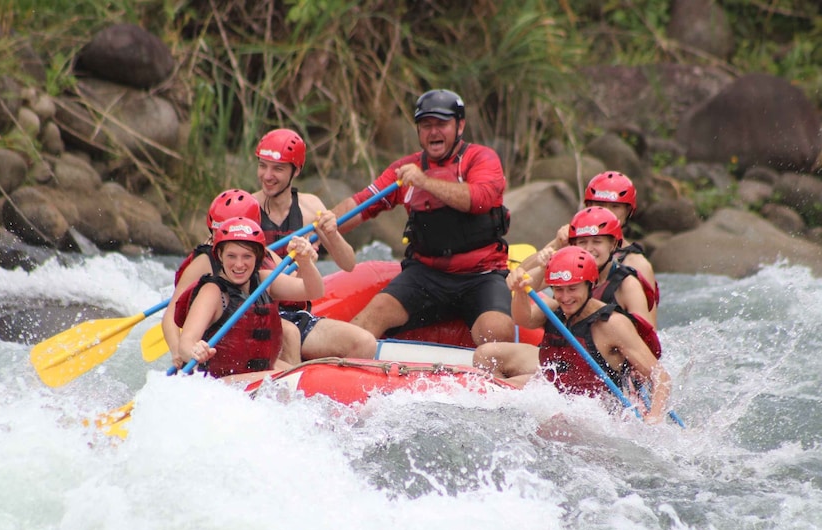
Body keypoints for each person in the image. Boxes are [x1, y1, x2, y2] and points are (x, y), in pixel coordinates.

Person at [331, 89, 514, 345]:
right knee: (373, 315)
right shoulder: (403, 170)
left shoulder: (481, 158)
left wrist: (425, 182)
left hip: (482, 274)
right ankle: (337, 368)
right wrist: (328, 223)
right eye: (426, 125)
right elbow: (362, 204)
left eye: (442, 124)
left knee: (496, 331)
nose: (433, 132)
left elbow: (479, 199)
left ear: (460, 126)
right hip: (426, 275)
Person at [476, 246, 671, 424]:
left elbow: (660, 376)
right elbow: (523, 320)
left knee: (552, 424)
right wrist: (520, 292)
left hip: (596, 411)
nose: (565, 298)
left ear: (590, 284)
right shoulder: (555, 308)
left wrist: (655, 415)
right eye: (558, 290)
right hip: (556, 390)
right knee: (491, 388)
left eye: (572, 288)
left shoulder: (613, 324)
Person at [253, 128, 378, 359]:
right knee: (287, 338)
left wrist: (333, 234)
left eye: (278, 168)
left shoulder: (311, 209)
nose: (267, 175)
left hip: (297, 315)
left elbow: (348, 264)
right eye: (263, 165)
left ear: (296, 170)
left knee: (364, 343)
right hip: (255, 315)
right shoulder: (247, 209)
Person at [161, 189, 302, 369]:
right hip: (222, 336)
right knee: (289, 331)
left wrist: (306, 261)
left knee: (290, 332)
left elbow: (302, 288)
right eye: (218, 232)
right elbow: (171, 315)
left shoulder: (266, 255)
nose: (222, 238)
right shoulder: (205, 262)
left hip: (256, 327)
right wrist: (178, 350)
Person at [176, 217, 323, 386]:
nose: (239, 265)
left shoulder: (265, 281)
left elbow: (314, 291)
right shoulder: (212, 292)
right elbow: (186, 341)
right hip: (217, 386)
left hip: (255, 377)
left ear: (258, 257)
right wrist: (194, 351)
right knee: (294, 382)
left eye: (247, 256)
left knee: (307, 377)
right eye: (231, 256)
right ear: (220, 256)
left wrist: (305, 263)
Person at [529, 171, 659, 322]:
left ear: (628, 211)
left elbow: (649, 330)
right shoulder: (572, 250)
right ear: (588, 207)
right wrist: (557, 244)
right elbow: (518, 279)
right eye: (599, 205)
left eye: (615, 206)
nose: (606, 211)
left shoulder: (637, 264)